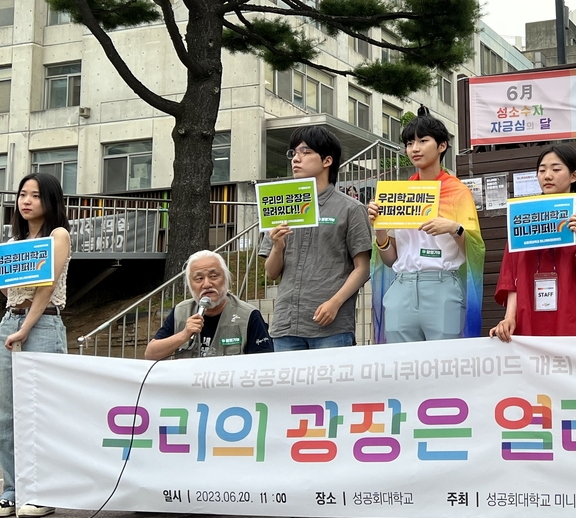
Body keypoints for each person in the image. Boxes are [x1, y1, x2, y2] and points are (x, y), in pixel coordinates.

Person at [368, 107, 484, 344]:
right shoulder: (399, 193)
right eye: (410, 143)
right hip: (402, 286)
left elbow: (473, 251)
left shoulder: (458, 192)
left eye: (423, 141)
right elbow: (391, 260)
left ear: (442, 146)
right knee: (401, 367)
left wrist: (454, 228)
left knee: (445, 365)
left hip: (442, 286)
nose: (415, 149)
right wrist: (379, 229)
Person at [491, 144, 576, 341]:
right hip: (530, 317)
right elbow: (511, 275)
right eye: (542, 170)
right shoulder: (523, 217)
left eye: (556, 169)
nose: (547, 175)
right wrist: (509, 317)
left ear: (574, 176)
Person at [259, 126, 373, 350]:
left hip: (332, 327)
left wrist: (335, 303)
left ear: (327, 160)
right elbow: (271, 273)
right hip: (286, 325)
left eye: (305, 152)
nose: (296, 159)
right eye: (293, 153)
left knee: (332, 386)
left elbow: (363, 268)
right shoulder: (282, 205)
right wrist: (277, 246)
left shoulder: (351, 209)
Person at [0, 173, 72, 518]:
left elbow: (46, 287)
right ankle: (12, 490)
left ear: (50, 200)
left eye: (35, 196)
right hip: (10, 321)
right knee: (7, 412)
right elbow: (11, 291)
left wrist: (25, 327)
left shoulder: (58, 235)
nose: (26, 201)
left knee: (41, 409)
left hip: (42, 324)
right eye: (22, 195)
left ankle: (44, 491)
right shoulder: (13, 242)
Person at [145, 250, 273, 360]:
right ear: (190, 286)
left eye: (213, 276)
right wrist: (183, 335)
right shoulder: (181, 312)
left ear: (226, 280)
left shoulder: (248, 315)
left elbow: (265, 363)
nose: (207, 284)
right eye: (199, 279)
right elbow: (150, 355)